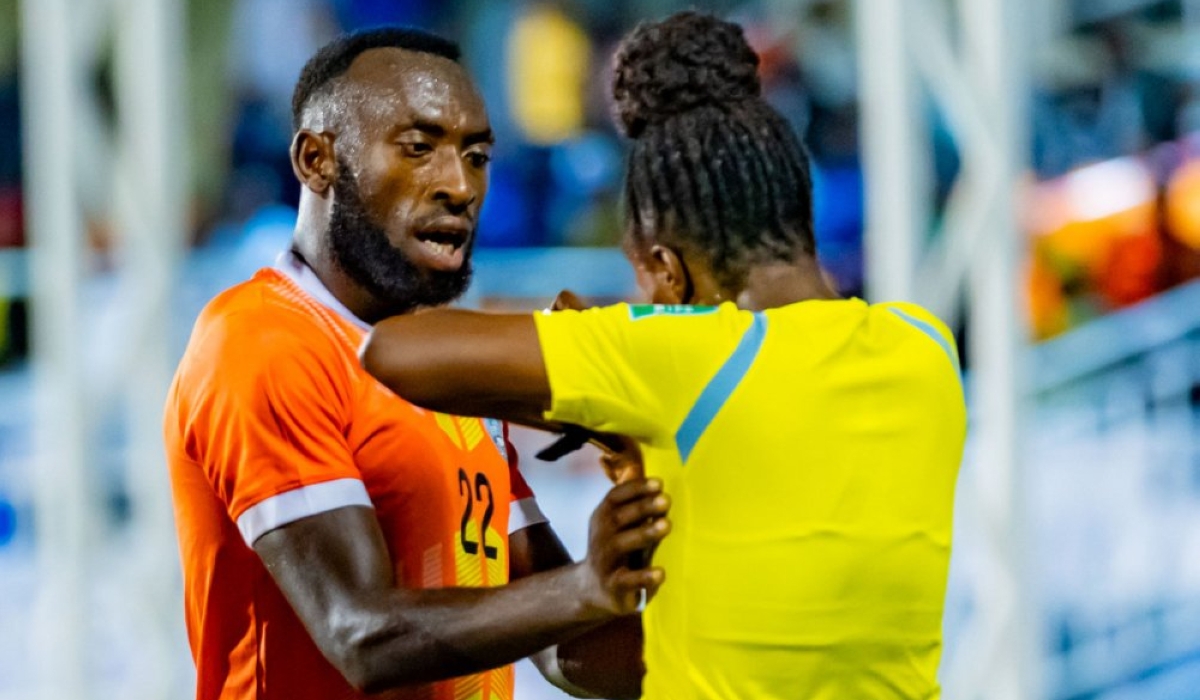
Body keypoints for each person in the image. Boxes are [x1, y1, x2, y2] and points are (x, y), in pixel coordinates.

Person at [360, 11, 967, 699]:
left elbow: (396, 351)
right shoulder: (924, 347)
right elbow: (608, 663)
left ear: (668, 273)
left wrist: (602, 363)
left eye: (641, 279)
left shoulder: (680, 353)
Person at [163, 27, 668, 700]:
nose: (459, 185)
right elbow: (361, 635)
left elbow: (569, 651)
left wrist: (661, 499)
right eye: (420, 147)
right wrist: (584, 587)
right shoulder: (262, 339)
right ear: (317, 160)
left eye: (478, 155)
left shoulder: (443, 372)